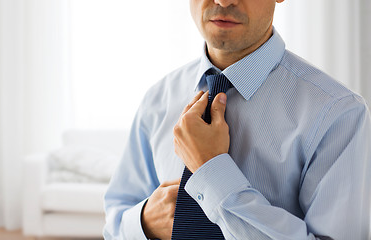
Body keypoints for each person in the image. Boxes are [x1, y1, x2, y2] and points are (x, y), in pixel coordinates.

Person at [103, 0, 371, 239]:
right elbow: (115, 222)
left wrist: (211, 169)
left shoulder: (338, 114)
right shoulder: (158, 98)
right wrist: (144, 223)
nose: (223, 0)